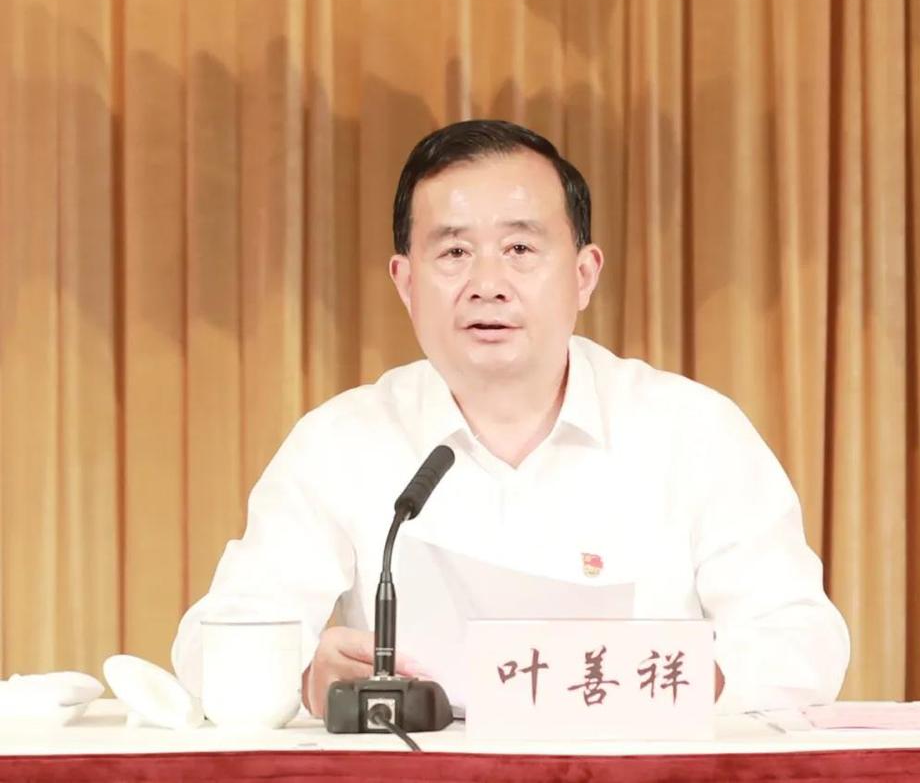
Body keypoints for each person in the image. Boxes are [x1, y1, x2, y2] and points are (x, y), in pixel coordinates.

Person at [171, 119, 849, 718]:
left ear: (583, 275)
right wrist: (305, 677)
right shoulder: (342, 441)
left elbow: (802, 643)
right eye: (453, 253)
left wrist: (654, 683)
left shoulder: (692, 431)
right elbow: (214, 645)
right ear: (405, 282)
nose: (487, 284)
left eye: (520, 249)